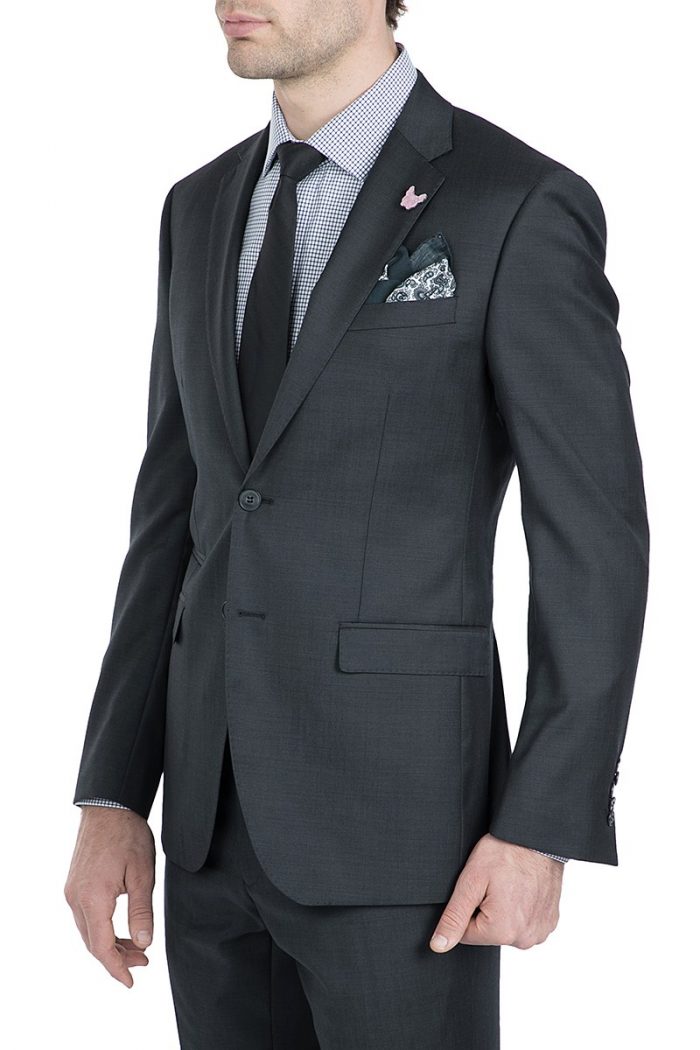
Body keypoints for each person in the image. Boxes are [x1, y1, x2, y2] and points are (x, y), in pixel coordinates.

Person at [64, 2, 650, 1047]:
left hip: (406, 840)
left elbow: (592, 545)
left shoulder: (515, 201)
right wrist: (113, 793)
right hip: (205, 830)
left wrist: (543, 825)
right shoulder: (197, 207)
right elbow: (171, 519)